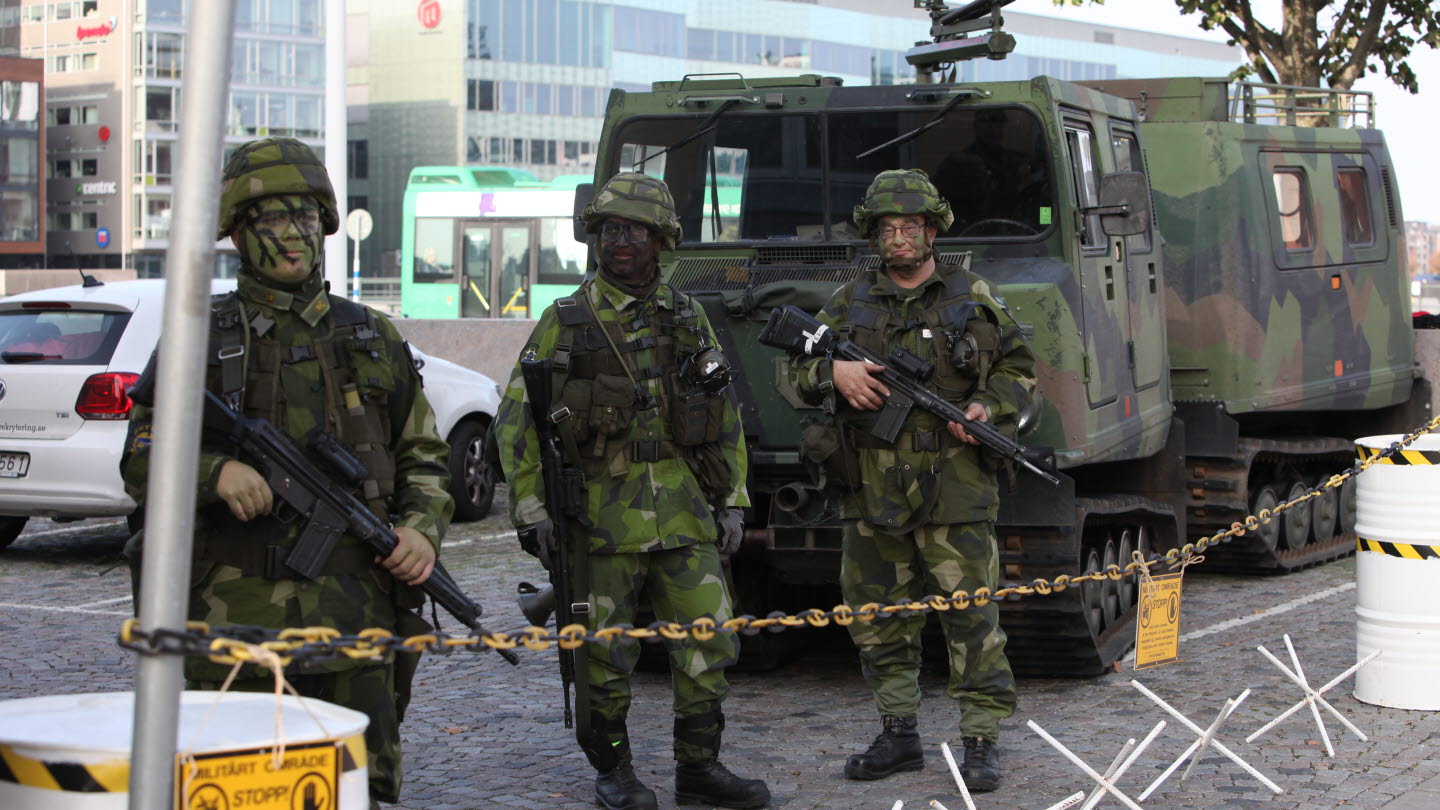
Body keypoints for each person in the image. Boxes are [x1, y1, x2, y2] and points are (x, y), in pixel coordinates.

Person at [120, 137, 453, 808]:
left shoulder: (372, 337)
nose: (292, 236)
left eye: (304, 217)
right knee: (229, 787)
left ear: (325, 224)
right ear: (237, 234)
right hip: (231, 626)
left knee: (351, 787)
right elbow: (141, 455)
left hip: (356, 623)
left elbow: (424, 456)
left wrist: (420, 529)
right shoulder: (200, 337)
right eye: (270, 219)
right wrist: (214, 472)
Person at [493, 172, 770, 810]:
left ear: (661, 241)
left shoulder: (687, 314)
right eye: (610, 229)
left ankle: (699, 768)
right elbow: (519, 424)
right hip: (598, 518)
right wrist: (534, 512)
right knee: (602, 655)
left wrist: (734, 501)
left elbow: (724, 415)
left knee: (708, 639)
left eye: (635, 230)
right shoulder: (565, 320)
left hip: (683, 512)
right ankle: (614, 773)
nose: (621, 242)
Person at [785, 169, 1036, 792]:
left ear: (931, 231)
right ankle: (898, 732)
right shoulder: (849, 303)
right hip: (872, 489)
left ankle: (979, 739)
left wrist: (989, 411)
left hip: (956, 488)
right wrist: (833, 375)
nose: (898, 239)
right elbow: (791, 375)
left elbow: (1020, 370)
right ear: (874, 234)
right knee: (875, 617)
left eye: (910, 227)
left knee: (972, 619)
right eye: (887, 229)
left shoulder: (972, 295)